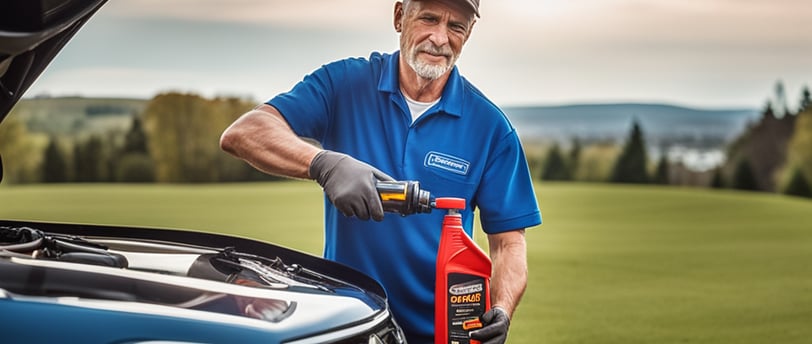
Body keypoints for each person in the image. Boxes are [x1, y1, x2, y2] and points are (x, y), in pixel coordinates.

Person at [220, 0, 542, 342]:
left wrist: (503, 309)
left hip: (440, 336)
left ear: (470, 33)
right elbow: (245, 133)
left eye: (456, 27)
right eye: (429, 19)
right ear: (399, 16)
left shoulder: (490, 127)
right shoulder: (344, 84)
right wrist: (323, 164)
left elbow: (508, 244)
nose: (440, 38)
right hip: (349, 327)